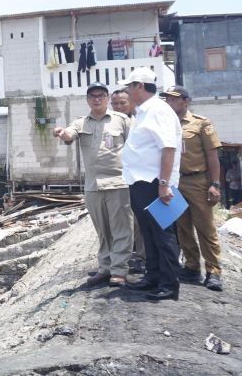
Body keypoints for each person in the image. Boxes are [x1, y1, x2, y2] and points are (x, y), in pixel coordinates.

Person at [54, 82, 133, 287]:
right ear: (88, 100)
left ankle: (119, 271)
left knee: (121, 228)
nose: (97, 99)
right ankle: (105, 268)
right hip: (93, 185)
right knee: (102, 230)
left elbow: (136, 146)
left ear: (107, 98)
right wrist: (63, 134)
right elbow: (69, 135)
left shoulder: (122, 120)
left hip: (118, 182)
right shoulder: (81, 122)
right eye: (92, 96)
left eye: (101, 95)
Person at [119, 68, 182, 301]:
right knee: (148, 232)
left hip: (154, 182)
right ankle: (153, 277)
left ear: (139, 86)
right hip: (139, 181)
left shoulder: (157, 110)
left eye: (129, 86)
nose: (126, 90)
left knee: (163, 234)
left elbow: (168, 148)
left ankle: (169, 284)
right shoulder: (143, 112)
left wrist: (164, 184)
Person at [160, 86, 224, 292]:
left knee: (205, 227)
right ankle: (191, 266)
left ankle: (213, 271)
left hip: (198, 181)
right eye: (167, 99)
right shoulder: (165, 124)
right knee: (183, 226)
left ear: (186, 101)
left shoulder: (201, 123)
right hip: (176, 181)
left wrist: (214, 184)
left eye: (174, 99)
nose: (169, 102)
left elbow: (213, 156)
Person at [111, 87, 144, 272]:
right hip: (116, 179)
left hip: (138, 179)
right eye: (114, 103)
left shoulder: (139, 123)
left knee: (139, 219)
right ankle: (120, 258)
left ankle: (141, 257)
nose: (118, 107)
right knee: (120, 221)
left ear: (131, 103)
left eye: (122, 103)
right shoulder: (107, 124)